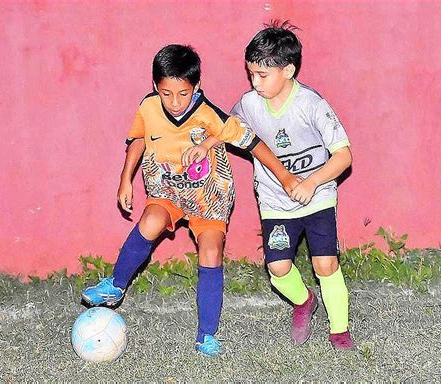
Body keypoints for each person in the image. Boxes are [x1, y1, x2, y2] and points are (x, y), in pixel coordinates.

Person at [81, 44, 299, 357]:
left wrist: (286, 177)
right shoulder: (148, 107)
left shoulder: (209, 115)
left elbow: (253, 144)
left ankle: (206, 335)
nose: (174, 102)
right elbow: (138, 139)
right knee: (151, 220)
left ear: (195, 87)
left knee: (211, 252)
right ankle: (115, 284)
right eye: (167, 93)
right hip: (168, 191)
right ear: (156, 87)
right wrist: (125, 179)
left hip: (209, 197)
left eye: (183, 94)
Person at [230, 21, 355, 350]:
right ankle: (304, 301)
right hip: (274, 200)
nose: (255, 83)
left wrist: (313, 181)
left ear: (288, 70)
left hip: (318, 196)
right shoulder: (249, 104)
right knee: (278, 267)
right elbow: (229, 130)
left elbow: (343, 156)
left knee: (324, 264)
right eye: (251, 74)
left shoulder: (312, 104)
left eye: (262, 75)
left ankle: (339, 330)